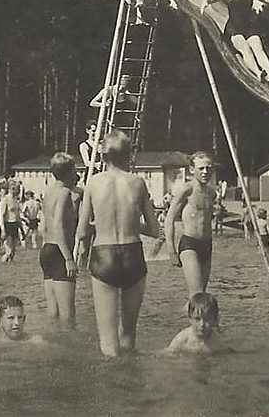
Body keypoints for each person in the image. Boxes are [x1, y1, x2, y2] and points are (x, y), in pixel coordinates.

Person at [76, 130, 160, 357]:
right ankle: (131, 387)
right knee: (129, 334)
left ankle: (111, 388)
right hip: (132, 252)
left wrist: (101, 224)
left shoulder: (93, 183)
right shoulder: (138, 182)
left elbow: (82, 231)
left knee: (107, 340)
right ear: (128, 155)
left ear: (103, 157)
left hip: (104, 254)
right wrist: (132, 224)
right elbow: (154, 230)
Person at [166, 152, 217, 296]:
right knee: (197, 295)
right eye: (201, 168)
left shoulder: (211, 193)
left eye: (209, 168)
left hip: (207, 246)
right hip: (189, 245)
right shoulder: (186, 190)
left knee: (200, 297)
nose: (205, 172)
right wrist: (171, 251)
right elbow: (169, 219)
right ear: (191, 170)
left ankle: (187, 316)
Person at [40, 153, 79, 327]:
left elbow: (44, 227)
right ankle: (68, 351)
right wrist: (69, 259)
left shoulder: (48, 193)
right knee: (68, 315)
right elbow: (58, 226)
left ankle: (52, 345)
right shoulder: (64, 193)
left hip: (46, 249)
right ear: (70, 171)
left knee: (53, 313)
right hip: (60, 251)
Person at [164, 293, 231, 354]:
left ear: (215, 320)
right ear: (190, 318)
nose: (202, 324)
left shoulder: (218, 343)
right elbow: (167, 353)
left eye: (207, 319)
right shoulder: (182, 339)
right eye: (197, 319)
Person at [0, 181, 23, 262]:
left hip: (15, 225)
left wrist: (22, 230)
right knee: (8, 252)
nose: (14, 190)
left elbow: (17, 216)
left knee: (13, 253)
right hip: (7, 225)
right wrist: (3, 230)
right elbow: (1, 216)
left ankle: (10, 270)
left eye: (15, 189)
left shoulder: (16, 200)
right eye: (13, 188)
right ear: (9, 189)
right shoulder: (5, 199)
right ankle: (2, 264)